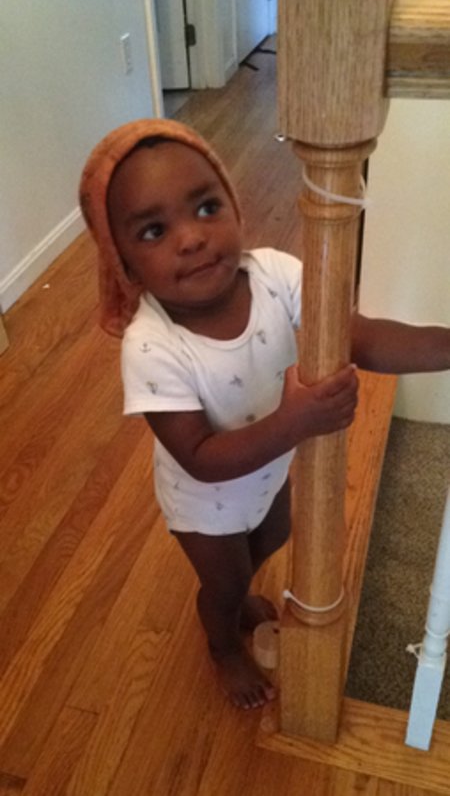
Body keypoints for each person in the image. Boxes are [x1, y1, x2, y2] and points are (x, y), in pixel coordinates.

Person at [79, 118, 450, 711]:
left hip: (268, 469)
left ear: (233, 202)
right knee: (224, 581)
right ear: (124, 263)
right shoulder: (151, 346)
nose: (191, 238)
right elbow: (200, 458)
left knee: (276, 532)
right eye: (154, 230)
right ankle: (222, 644)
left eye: (206, 207)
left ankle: (240, 597)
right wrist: (296, 422)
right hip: (206, 502)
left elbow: (360, 336)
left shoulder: (273, 274)